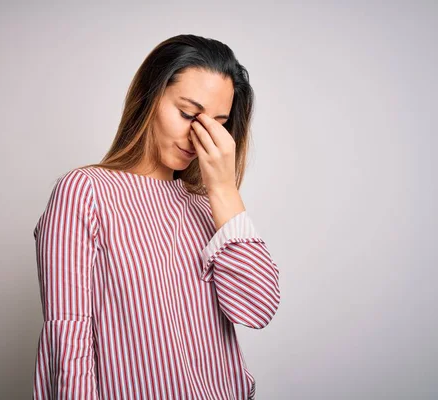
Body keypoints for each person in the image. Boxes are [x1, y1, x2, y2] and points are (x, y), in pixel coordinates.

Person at [32, 34, 280, 400]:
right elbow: (68, 337)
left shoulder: (210, 208)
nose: (199, 137)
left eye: (217, 123)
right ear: (150, 96)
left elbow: (257, 309)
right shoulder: (85, 192)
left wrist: (224, 191)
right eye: (187, 114)